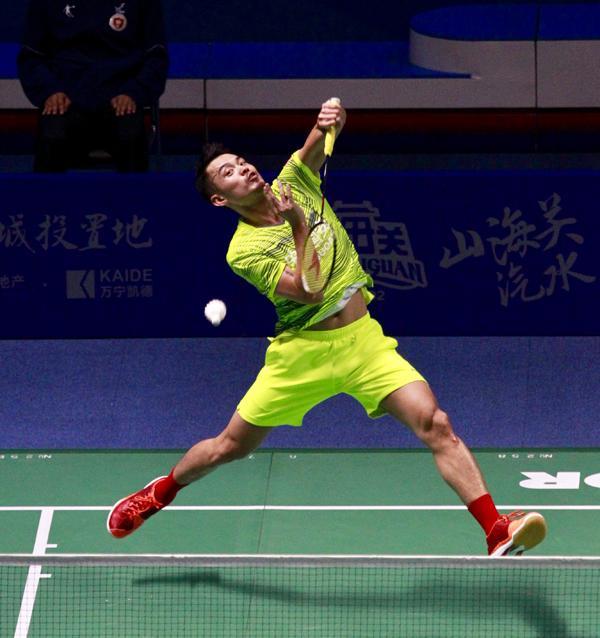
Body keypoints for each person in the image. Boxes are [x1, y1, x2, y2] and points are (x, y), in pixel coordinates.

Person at [107, 100, 547, 556]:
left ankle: (495, 529)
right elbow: (309, 291)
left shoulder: (293, 179)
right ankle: (161, 492)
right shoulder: (243, 251)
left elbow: (320, 137)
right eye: (228, 173)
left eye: (241, 161)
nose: (243, 169)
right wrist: (298, 224)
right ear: (220, 199)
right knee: (230, 446)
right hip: (302, 353)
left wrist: (330, 117)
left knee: (436, 424)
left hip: (363, 342)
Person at [17, 0, 168, 172]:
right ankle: (47, 191)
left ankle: (134, 191)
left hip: (121, 100)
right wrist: (50, 91)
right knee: (52, 134)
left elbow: (156, 57)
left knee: (131, 135)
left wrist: (134, 92)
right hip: (65, 101)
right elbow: (31, 57)